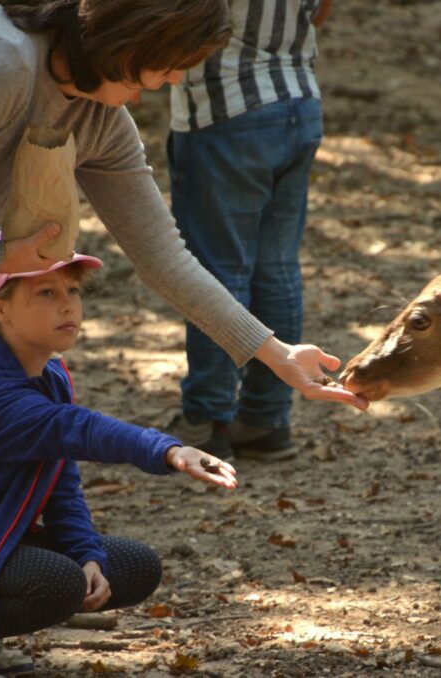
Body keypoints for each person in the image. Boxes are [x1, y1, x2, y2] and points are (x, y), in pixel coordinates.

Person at [0, 0, 365, 674]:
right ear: (130, 36)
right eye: (171, 62)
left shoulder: (97, 116)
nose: (175, 81)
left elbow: (162, 254)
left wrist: (273, 352)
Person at [0, 248, 237, 676]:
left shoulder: (48, 373)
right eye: (46, 292)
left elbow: (61, 480)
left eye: (72, 290)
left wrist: (87, 555)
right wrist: (169, 451)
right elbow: (78, 429)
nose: (68, 305)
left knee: (133, 566)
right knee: (59, 583)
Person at [167, 0, 335, 461]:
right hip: (299, 97)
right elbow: (318, 13)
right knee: (277, 267)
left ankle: (206, 417)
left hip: (226, 104)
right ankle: (266, 418)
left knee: (218, 270)